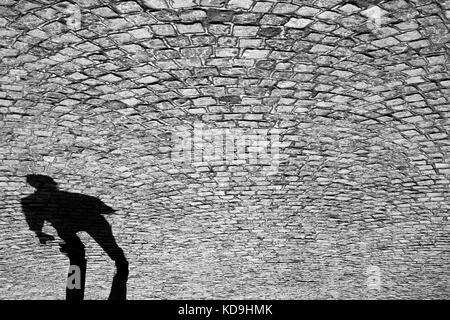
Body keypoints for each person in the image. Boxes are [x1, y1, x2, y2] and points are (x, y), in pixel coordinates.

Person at [21, 174, 128, 300]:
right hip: (87, 221)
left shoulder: (30, 202)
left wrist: (40, 233)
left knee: (78, 259)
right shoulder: (58, 198)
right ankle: (120, 268)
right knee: (84, 255)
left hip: (79, 223)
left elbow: (33, 220)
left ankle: (76, 292)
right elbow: (94, 202)